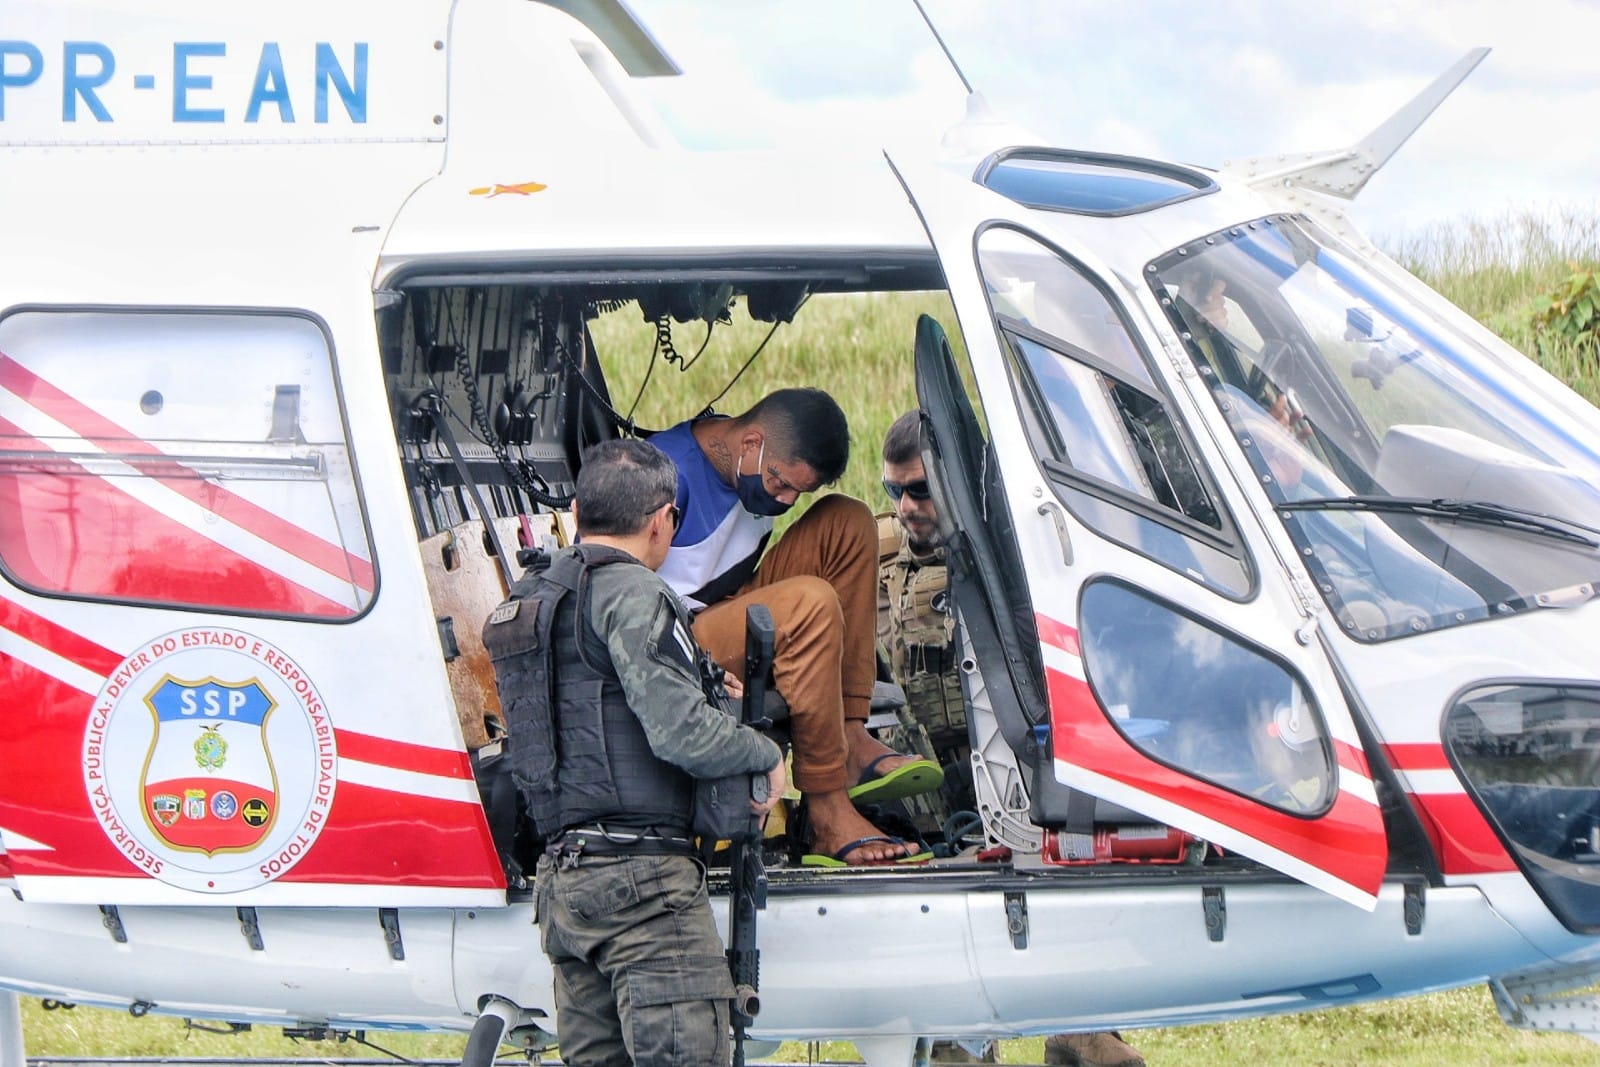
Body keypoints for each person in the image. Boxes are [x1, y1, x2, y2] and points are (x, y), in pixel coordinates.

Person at [490, 439, 786, 1066]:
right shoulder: (631, 591)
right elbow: (678, 734)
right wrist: (762, 751)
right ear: (662, 521)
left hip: (566, 889)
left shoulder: (537, 596)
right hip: (643, 891)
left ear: (576, 510)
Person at [879, 411, 1148, 1067]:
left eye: (918, 490)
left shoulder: (1016, 551)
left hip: (1021, 772)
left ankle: (1082, 1028)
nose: (907, 507)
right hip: (925, 785)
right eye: (893, 492)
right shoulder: (875, 555)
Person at [649, 388, 941, 867]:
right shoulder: (664, 475)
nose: (785, 500)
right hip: (675, 641)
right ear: (751, 444)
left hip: (724, 608)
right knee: (810, 602)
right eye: (781, 483)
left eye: (797, 494)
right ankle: (827, 807)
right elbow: (609, 586)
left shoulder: (751, 464)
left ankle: (849, 738)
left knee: (849, 521)